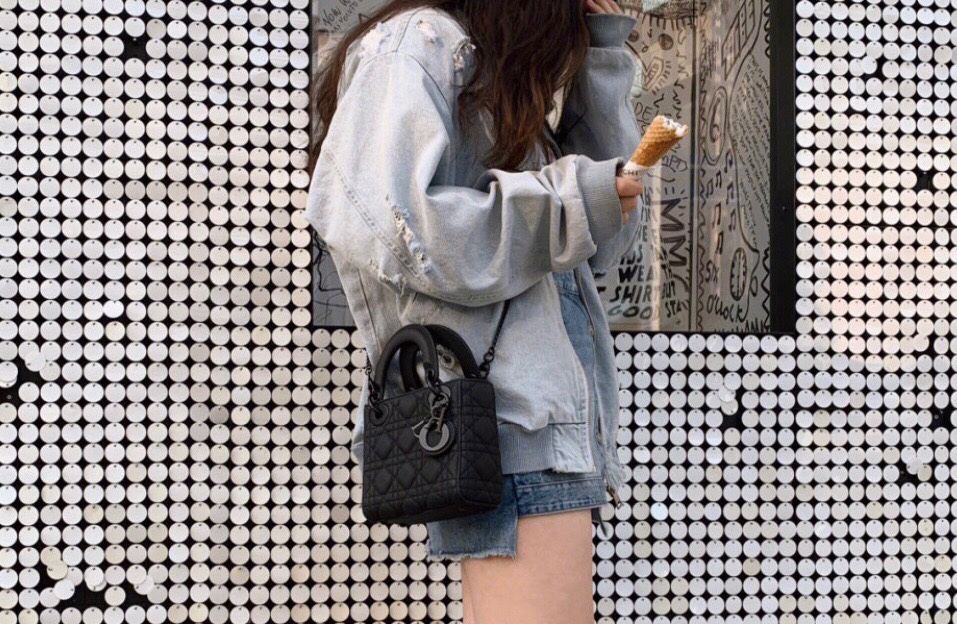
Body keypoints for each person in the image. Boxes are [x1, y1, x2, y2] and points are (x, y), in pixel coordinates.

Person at [306, 1, 644, 622]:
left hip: (544, 421)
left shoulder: (498, 82)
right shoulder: (419, 42)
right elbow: (394, 224)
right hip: (509, 418)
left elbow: (604, 244)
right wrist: (568, 204)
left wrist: (602, 50)